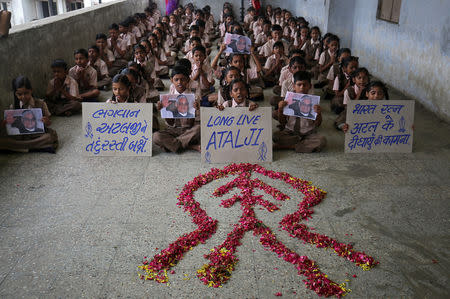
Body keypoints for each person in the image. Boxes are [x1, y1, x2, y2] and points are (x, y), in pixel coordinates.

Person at [0, 76, 58, 153]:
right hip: (20, 137)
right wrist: (6, 123)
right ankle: (33, 147)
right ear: (15, 94)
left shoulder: (41, 103)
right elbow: (11, 127)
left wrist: (46, 121)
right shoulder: (13, 106)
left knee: (49, 137)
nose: (23, 97)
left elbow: (49, 123)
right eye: (19, 94)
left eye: (26, 93)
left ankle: (20, 148)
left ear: (31, 91)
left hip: (37, 135)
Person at [273, 71, 326, 153]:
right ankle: (301, 145)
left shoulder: (313, 101)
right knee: (275, 136)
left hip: (308, 134)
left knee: (322, 140)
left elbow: (317, 124)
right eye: (299, 84)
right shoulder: (288, 100)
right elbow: (282, 122)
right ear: (294, 86)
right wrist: (280, 109)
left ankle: (291, 146)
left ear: (310, 86)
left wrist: (319, 114)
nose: (302, 87)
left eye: (305, 85)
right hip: (290, 132)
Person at [153, 66, 201, 153]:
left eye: (183, 79)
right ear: (171, 80)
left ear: (188, 80)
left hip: (188, 130)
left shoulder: (194, 98)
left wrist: (196, 109)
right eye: (176, 80)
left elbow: (192, 123)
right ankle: (190, 146)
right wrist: (163, 110)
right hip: (173, 130)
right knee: (156, 136)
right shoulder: (168, 98)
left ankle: (172, 145)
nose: (179, 82)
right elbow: (170, 123)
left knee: (199, 129)